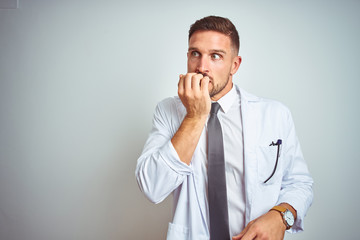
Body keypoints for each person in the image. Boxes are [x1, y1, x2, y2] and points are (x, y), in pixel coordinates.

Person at [135, 16, 313, 240]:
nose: (202, 67)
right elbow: (152, 188)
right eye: (195, 54)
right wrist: (194, 116)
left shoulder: (275, 114)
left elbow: (300, 183)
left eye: (215, 56)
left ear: (234, 65)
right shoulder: (168, 111)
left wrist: (280, 217)